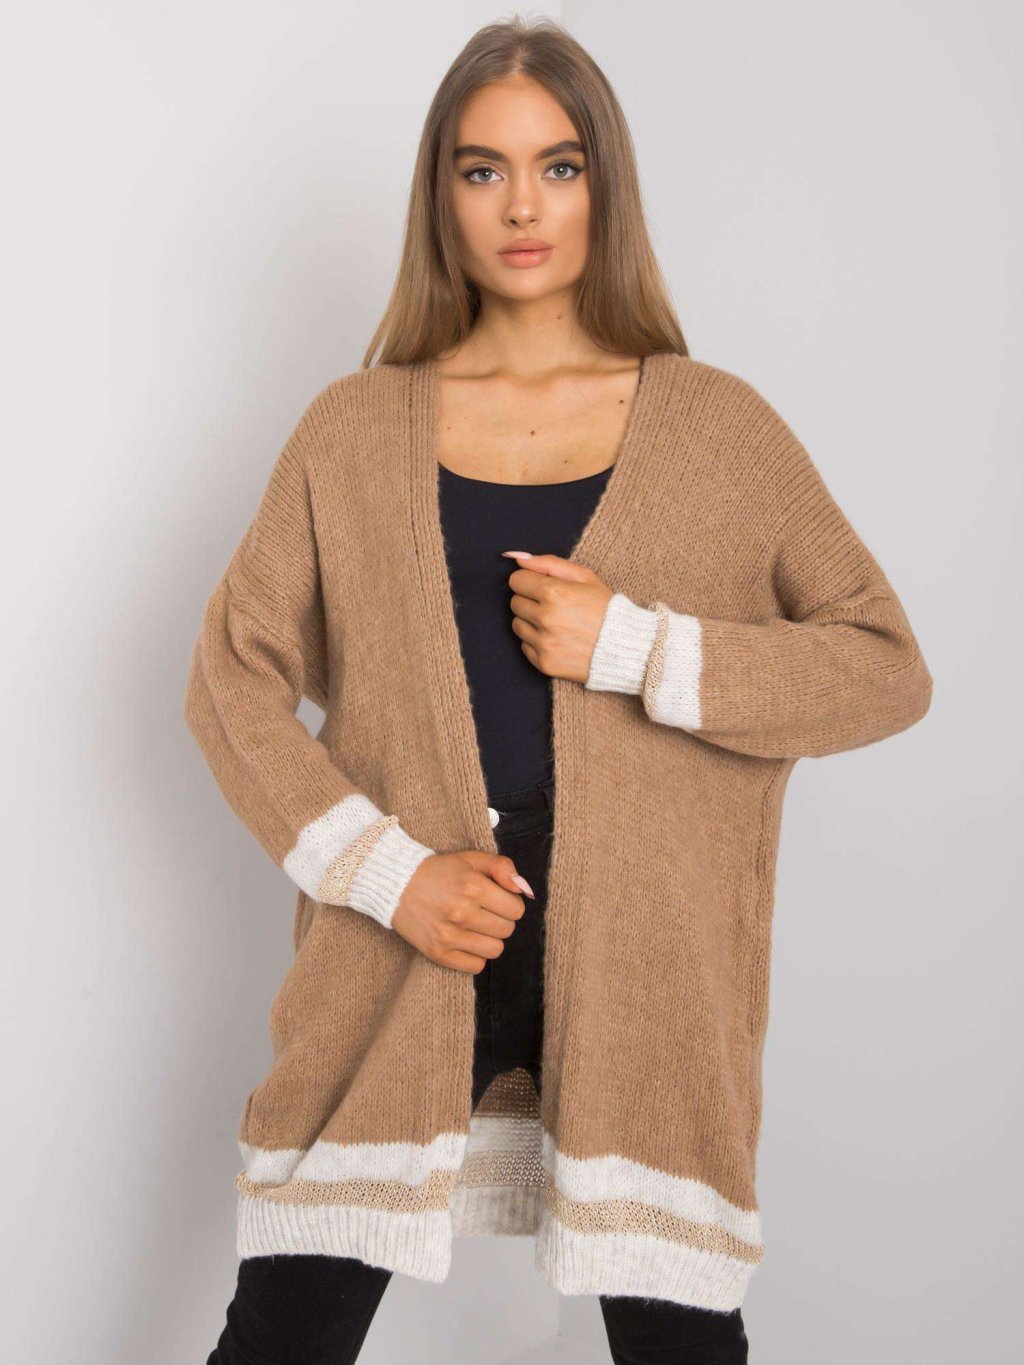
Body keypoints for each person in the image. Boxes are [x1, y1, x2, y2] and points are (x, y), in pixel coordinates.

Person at [189, 17, 931, 1365]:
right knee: (284, 1334)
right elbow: (229, 679)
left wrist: (641, 649)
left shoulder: (717, 427)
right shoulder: (353, 427)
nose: (522, 207)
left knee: (678, 1346)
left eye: (559, 166)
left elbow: (884, 666)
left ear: (606, 186)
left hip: (644, 967)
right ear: (442, 196)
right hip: (405, 944)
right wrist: (390, 875)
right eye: (483, 170)